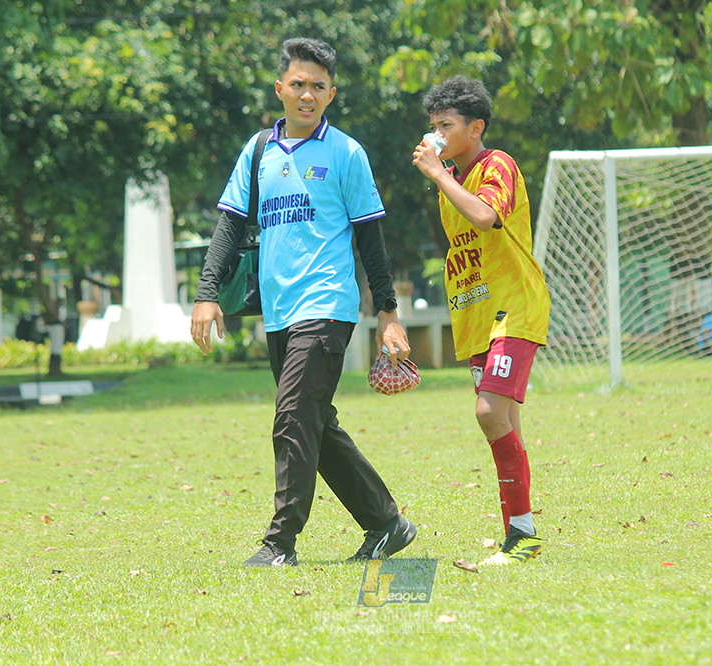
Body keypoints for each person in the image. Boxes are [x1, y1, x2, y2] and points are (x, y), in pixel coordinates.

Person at [191, 37, 416, 567]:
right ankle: (387, 524)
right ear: (280, 89)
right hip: (279, 312)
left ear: (331, 94)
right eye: (298, 84)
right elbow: (229, 226)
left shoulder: (347, 153)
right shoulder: (258, 152)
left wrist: (387, 314)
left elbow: (371, 241)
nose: (307, 95)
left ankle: (279, 543)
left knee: (292, 417)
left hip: (328, 307)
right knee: (314, 421)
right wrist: (206, 294)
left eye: (318, 86)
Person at [412, 76, 550, 566]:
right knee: (503, 418)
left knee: (489, 413)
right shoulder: (449, 181)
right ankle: (522, 534)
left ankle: (523, 536)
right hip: (475, 313)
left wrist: (439, 174)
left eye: (445, 127)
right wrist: (444, 178)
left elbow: (487, 218)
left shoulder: (498, 165)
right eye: (432, 127)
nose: (436, 136)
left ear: (476, 128)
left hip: (513, 307)